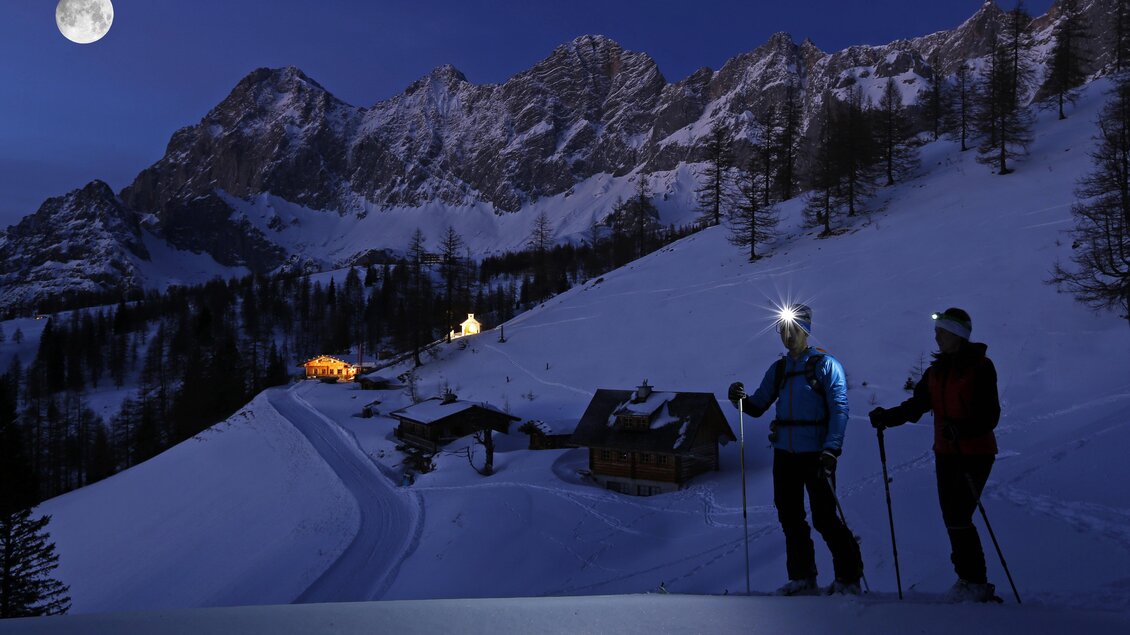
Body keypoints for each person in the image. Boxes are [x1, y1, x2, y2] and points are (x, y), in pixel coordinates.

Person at [728, 304, 862, 595]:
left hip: (816, 455)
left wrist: (832, 449)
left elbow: (840, 408)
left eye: (794, 330)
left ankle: (849, 578)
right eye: (784, 330)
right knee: (790, 517)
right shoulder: (779, 369)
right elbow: (757, 405)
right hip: (785, 455)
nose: (788, 336)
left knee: (825, 518)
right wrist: (738, 399)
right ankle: (803, 577)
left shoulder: (825, 365)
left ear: (806, 330)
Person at [869, 307, 1001, 603]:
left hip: (976, 453)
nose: (936, 336)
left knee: (958, 515)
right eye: (937, 331)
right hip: (946, 454)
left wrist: (962, 430)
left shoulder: (981, 367)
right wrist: (886, 417)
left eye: (941, 331)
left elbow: (990, 414)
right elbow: (916, 406)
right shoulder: (935, 372)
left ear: (958, 335)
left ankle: (975, 581)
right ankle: (968, 580)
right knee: (952, 517)